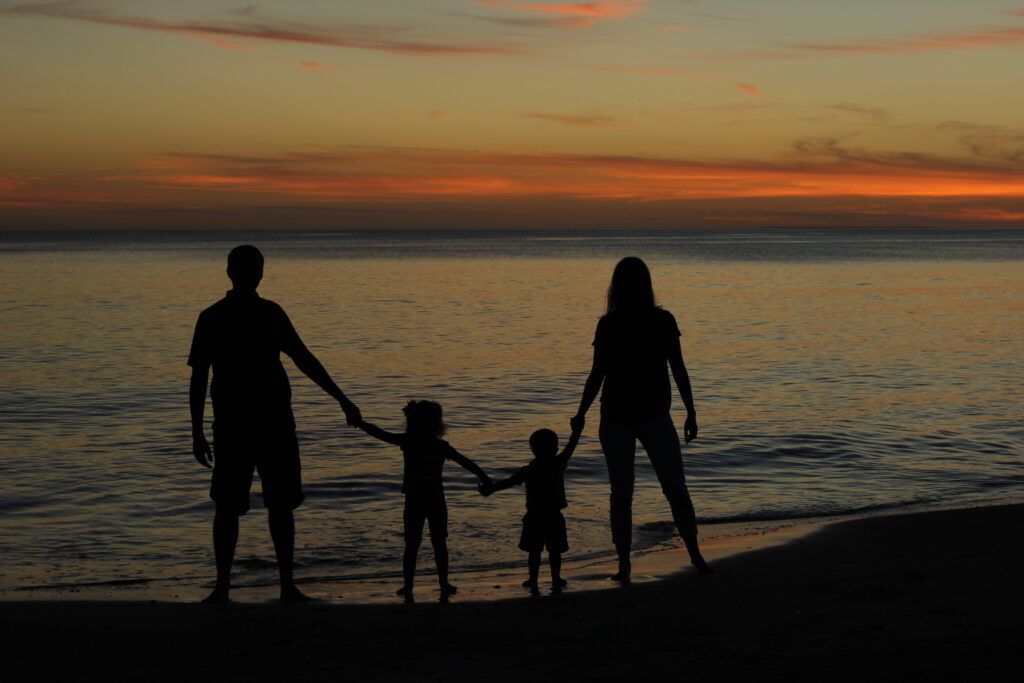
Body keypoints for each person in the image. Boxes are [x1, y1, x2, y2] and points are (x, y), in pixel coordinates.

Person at [188, 245, 361, 604]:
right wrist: (197, 430)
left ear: (261, 273)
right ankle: (222, 587)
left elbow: (302, 357)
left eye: (256, 267)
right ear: (230, 271)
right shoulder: (212, 317)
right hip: (232, 425)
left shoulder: (271, 313)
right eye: (245, 266)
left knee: (280, 505)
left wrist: (341, 398)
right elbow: (199, 376)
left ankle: (287, 586)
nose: (251, 272)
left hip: (275, 422)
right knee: (227, 506)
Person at [572, 256, 710, 581]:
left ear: (615, 285)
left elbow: (597, 374)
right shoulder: (654, 320)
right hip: (643, 416)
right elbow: (677, 368)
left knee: (623, 493)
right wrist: (690, 410)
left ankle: (626, 565)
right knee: (673, 488)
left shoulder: (614, 323)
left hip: (627, 416)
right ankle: (693, 555)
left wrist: (581, 412)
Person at [355, 400, 491, 601]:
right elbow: (467, 463)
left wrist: (361, 423)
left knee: (412, 544)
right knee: (438, 543)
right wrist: (486, 479)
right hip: (435, 499)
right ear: (437, 424)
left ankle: (409, 585)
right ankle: (442, 583)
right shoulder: (439, 446)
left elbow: (380, 434)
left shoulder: (408, 441)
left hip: (415, 500)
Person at [480, 426, 581, 592]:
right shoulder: (557, 464)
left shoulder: (530, 470)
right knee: (554, 551)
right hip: (553, 515)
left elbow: (508, 482)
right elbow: (571, 446)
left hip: (534, 516)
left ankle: (533, 579)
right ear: (555, 449)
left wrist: (491, 489)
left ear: (533, 449)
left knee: (534, 551)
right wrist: (577, 430)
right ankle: (555, 578)